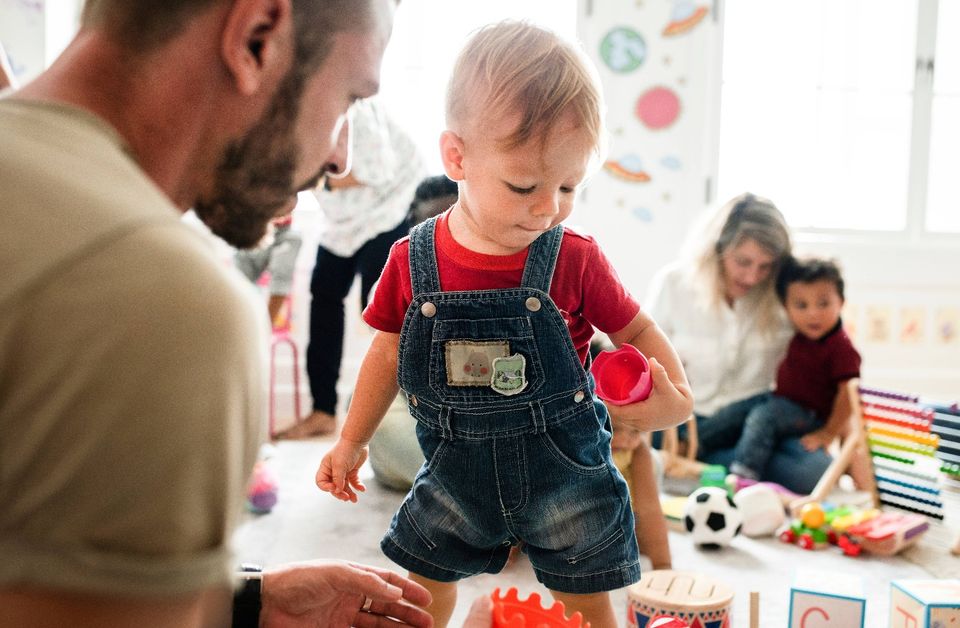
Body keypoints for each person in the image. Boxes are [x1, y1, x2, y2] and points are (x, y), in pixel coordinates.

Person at [0, 0, 437, 626]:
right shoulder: (159, 299)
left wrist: (243, 605)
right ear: (257, 37)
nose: (341, 158)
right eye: (347, 98)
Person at [316, 21, 693, 627]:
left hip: (562, 467)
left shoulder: (574, 256)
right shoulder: (412, 260)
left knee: (587, 592)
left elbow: (638, 332)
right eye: (524, 186)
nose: (548, 207)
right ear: (456, 157)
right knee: (424, 579)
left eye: (569, 186)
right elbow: (386, 354)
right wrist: (352, 439)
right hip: (454, 467)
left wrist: (675, 397)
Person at [643, 192, 833, 494]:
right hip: (685, 422)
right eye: (743, 262)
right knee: (635, 445)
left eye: (765, 266)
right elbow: (644, 364)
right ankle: (728, 470)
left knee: (815, 471)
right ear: (717, 249)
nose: (752, 276)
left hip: (754, 429)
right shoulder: (674, 285)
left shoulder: (783, 297)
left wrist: (829, 426)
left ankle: (707, 468)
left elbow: (827, 353)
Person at [282, 97, 426, 439]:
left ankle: (403, 411)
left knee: (380, 309)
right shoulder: (291, 118)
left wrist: (310, 179)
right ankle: (323, 411)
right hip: (342, 219)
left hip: (389, 205)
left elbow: (378, 171)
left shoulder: (356, 110)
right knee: (324, 294)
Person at [729, 256, 865, 481]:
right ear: (786, 308)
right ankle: (694, 445)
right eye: (801, 306)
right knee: (736, 412)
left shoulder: (841, 347)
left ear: (841, 302)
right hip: (781, 401)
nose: (813, 313)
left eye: (824, 304)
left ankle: (745, 475)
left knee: (763, 417)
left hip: (808, 413)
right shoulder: (801, 335)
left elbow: (849, 395)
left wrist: (829, 432)